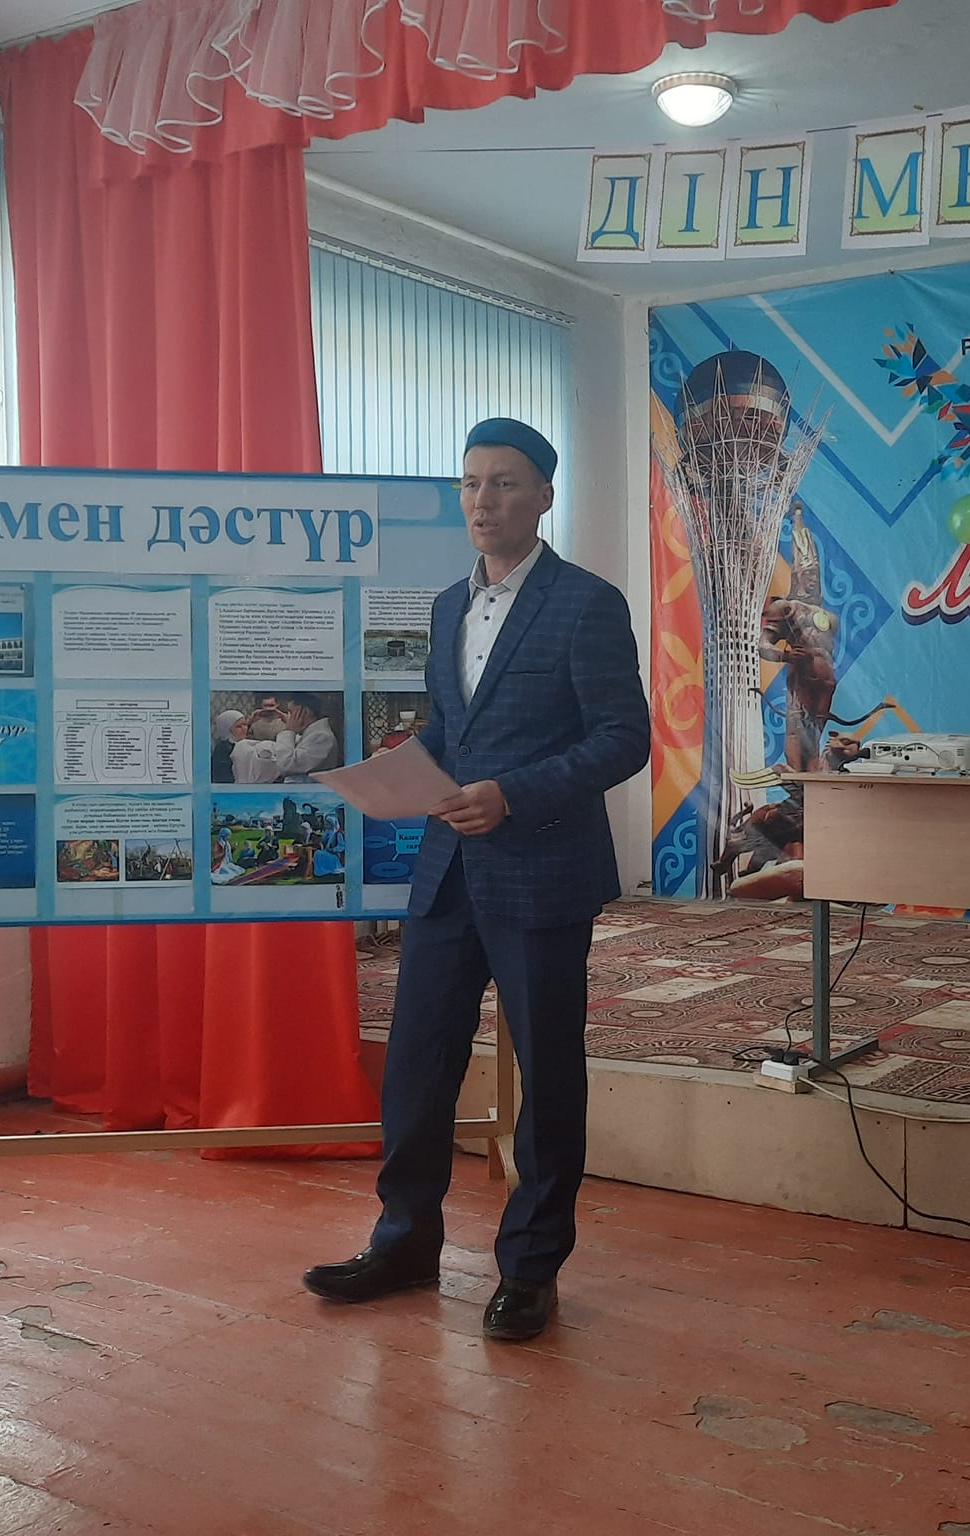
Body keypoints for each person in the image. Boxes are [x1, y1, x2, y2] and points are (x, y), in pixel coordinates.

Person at [303, 417, 649, 1343]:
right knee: (417, 1066)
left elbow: (624, 738)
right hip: (448, 872)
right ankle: (405, 1242)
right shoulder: (446, 606)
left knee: (548, 1073)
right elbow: (453, 730)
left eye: (503, 483)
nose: (482, 501)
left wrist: (513, 795)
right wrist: (396, 768)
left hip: (543, 871)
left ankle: (531, 1269)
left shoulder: (587, 603)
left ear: (543, 496)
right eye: (470, 483)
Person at [270, 692, 342, 775]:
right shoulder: (310, 735)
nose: (288, 717)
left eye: (291, 712)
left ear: (306, 712)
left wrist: (288, 731)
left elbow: (286, 765)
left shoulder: (321, 737)